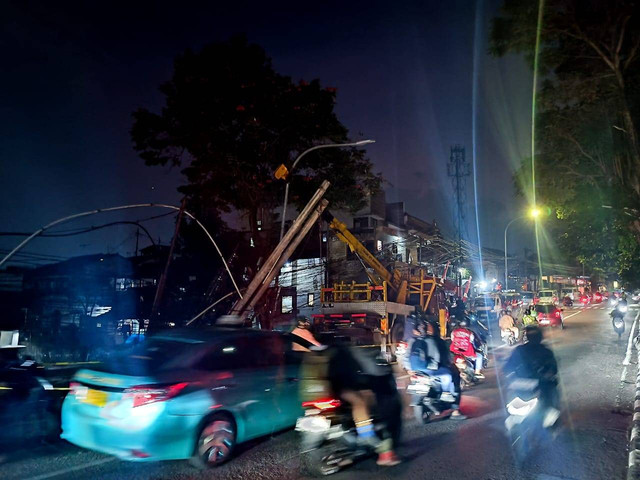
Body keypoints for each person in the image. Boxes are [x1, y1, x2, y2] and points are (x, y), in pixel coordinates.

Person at [327, 342, 402, 466]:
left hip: (337, 388)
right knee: (367, 404)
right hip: (346, 388)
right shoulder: (352, 351)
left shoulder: (332, 352)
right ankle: (381, 450)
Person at [503, 325, 560, 427]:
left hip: (536, 388)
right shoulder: (543, 351)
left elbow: (553, 370)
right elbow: (507, 368)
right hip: (524, 389)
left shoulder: (521, 350)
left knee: (551, 410)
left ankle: (551, 421)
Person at [409, 321, 466, 419]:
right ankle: (455, 411)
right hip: (434, 370)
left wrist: (409, 369)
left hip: (417, 371)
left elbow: (407, 357)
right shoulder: (436, 341)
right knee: (451, 377)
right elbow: (441, 357)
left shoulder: (412, 341)